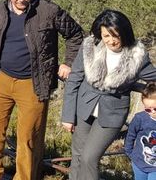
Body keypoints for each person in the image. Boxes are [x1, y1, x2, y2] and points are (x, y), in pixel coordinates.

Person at [0, 0, 84, 180]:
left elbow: (76, 35)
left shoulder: (47, 10)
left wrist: (68, 62)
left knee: (27, 138)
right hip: (0, 79)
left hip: (34, 83)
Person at [62, 10, 156, 179]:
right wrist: (67, 116)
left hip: (113, 112)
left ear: (124, 33)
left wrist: (139, 88)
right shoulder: (90, 46)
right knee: (77, 156)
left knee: (89, 157)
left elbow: (153, 77)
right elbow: (75, 78)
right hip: (84, 106)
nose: (111, 41)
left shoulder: (137, 55)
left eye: (115, 36)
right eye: (106, 36)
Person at [126, 82, 156, 180]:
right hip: (139, 163)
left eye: (155, 108)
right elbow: (130, 135)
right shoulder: (140, 118)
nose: (152, 112)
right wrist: (130, 152)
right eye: (148, 109)